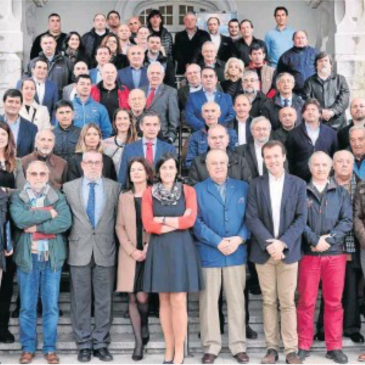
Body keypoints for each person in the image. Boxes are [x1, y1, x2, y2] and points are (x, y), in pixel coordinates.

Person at [246, 140, 307, 365]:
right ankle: (271, 348)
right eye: (268, 157)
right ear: (264, 159)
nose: (272, 160)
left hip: (288, 253)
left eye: (275, 156)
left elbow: (301, 218)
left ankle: (291, 349)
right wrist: (270, 244)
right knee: (269, 302)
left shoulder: (298, 184)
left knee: (288, 302)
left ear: (284, 157)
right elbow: (251, 217)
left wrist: (282, 243)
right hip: (264, 253)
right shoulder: (255, 184)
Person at [142, 153, 202, 365]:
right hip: (159, 249)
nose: (168, 172)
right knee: (164, 300)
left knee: (178, 299)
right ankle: (168, 347)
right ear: (158, 172)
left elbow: (190, 220)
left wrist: (163, 220)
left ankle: (179, 350)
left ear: (177, 170)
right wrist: (176, 221)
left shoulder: (188, 191)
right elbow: (148, 224)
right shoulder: (150, 193)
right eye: (164, 168)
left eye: (171, 167)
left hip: (181, 248)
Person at [10, 160, 71, 365]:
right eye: (33, 174)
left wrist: (36, 227)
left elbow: (64, 221)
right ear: (27, 175)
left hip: (51, 259)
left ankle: (50, 348)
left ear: (47, 176)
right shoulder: (18, 197)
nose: (37, 178)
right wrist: (48, 214)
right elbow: (20, 219)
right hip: (29, 259)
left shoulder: (57, 196)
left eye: (41, 174)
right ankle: (28, 348)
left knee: (51, 306)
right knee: (27, 306)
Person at [63, 150, 120, 363]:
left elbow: (118, 220)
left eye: (97, 162)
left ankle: (101, 343)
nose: (94, 166)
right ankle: (84, 343)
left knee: (105, 300)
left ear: (103, 165)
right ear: (83, 165)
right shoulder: (68, 188)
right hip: (79, 250)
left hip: (106, 250)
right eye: (89, 162)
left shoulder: (114, 188)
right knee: (80, 300)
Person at [194, 149, 250, 365]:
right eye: (213, 163)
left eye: (222, 162)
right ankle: (211, 346)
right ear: (207, 167)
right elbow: (196, 222)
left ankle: (238, 346)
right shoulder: (197, 190)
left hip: (236, 253)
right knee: (208, 302)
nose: (218, 166)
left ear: (228, 164)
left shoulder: (243, 187)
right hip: (209, 253)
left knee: (237, 301)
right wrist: (217, 241)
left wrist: (239, 238)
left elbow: (250, 218)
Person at [297, 152, 352, 364]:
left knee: (334, 302)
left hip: (335, 255)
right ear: (310, 167)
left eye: (324, 165)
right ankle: (303, 345)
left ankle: (334, 346)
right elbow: (298, 219)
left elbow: (347, 220)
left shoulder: (341, 193)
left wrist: (329, 240)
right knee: (306, 301)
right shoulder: (301, 192)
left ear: (330, 168)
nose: (320, 168)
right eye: (316, 165)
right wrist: (313, 239)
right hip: (309, 255)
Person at [316, 150, 363, 345]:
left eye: (348, 161)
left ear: (353, 164)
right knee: (329, 289)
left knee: (351, 288)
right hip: (329, 244)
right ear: (333, 165)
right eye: (339, 161)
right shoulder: (323, 185)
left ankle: (351, 328)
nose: (344, 164)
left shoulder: (361, 186)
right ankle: (323, 328)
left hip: (354, 243)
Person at [116, 157, 153, 361]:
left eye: (140, 169)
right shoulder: (124, 197)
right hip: (129, 253)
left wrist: (149, 246)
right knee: (132, 296)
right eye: (133, 170)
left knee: (143, 296)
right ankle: (138, 342)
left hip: (151, 251)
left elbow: (159, 222)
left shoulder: (155, 195)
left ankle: (145, 322)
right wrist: (132, 250)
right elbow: (119, 226)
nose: (136, 173)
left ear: (147, 173)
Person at [0, 121, 26, 345]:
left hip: (10, 227)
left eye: (3, 135)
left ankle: (3, 327)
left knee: (7, 281)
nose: (0, 138)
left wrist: (6, 191)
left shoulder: (16, 163)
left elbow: (23, 193)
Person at [118, 112, 176, 188]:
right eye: (148, 124)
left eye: (155, 125)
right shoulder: (129, 149)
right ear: (141, 126)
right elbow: (122, 178)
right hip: (136, 194)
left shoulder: (169, 149)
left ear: (159, 127)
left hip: (162, 195)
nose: (151, 128)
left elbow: (173, 177)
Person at [286, 99, 338, 182]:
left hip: (325, 179)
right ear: (302, 114)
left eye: (313, 110)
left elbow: (335, 156)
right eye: (307, 110)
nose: (310, 112)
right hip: (300, 180)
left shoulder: (331, 133)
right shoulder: (293, 134)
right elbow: (290, 159)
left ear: (320, 114)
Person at [303, 52, 350, 130]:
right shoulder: (309, 82)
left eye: (326, 61)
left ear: (331, 65)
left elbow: (344, 99)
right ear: (316, 65)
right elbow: (306, 99)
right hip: (317, 123)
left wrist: (332, 112)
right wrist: (321, 111)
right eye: (320, 61)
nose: (323, 63)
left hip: (339, 123)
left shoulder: (340, 79)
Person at [186, 101, 237, 168]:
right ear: (202, 115)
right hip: (204, 174)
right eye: (206, 111)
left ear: (219, 113)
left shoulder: (231, 134)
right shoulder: (195, 137)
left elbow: (235, 159)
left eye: (213, 111)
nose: (210, 114)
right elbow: (189, 163)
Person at [185, 67, 235, 132]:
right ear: (201, 79)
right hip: (200, 135)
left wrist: (220, 126)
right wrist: (205, 127)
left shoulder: (226, 97)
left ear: (216, 79)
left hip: (221, 135)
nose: (208, 79)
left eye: (211, 76)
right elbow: (189, 116)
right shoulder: (192, 97)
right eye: (205, 76)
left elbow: (231, 115)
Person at [141, 62, 179, 143]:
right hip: (141, 137)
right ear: (147, 75)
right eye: (152, 73)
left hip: (162, 138)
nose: (155, 76)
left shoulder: (170, 92)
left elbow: (174, 118)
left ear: (163, 75)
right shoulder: (140, 91)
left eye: (158, 73)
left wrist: (171, 138)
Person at [277, 30, 318, 96]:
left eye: (303, 38)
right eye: (298, 38)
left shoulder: (315, 53)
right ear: (293, 41)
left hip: (313, 92)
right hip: (295, 93)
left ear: (307, 40)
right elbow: (280, 75)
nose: (300, 40)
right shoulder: (286, 56)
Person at [0, 89, 38, 158]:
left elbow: (33, 155)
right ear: (3, 103)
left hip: (21, 167)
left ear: (21, 105)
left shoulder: (32, 128)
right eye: (10, 101)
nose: (13, 105)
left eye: (17, 102)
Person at [72, 74, 112, 139]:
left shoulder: (100, 108)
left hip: (94, 147)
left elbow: (107, 131)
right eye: (82, 84)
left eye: (88, 84)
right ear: (75, 86)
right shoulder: (68, 107)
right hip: (73, 147)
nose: (85, 87)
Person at [102, 109, 138, 175]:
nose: (122, 121)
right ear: (115, 122)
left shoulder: (139, 142)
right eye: (119, 119)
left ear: (130, 121)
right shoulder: (105, 143)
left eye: (125, 118)